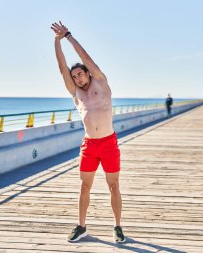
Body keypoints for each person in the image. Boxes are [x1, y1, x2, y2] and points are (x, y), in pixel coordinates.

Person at [51, 21, 126, 243]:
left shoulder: (100, 82)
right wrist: (57, 41)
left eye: (80, 74)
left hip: (108, 143)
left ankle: (117, 226)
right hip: (90, 145)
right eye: (74, 76)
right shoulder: (75, 93)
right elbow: (61, 67)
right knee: (85, 186)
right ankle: (81, 226)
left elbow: (86, 57)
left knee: (114, 186)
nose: (77, 78)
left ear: (88, 73)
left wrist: (68, 37)